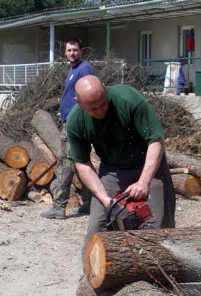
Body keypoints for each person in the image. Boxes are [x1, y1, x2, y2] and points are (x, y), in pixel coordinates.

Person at [66, 75, 176, 241]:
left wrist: (144, 182)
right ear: (78, 102)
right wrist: (106, 201)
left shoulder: (129, 99)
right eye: (93, 109)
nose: (100, 110)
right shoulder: (76, 121)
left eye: (103, 104)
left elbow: (156, 140)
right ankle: (94, 266)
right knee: (98, 226)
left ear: (104, 88)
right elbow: (82, 163)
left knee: (159, 225)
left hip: (148, 162)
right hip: (112, 169)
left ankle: (164, 264)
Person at [41, 38, 94, 220]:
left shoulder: (84, 69)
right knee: (80, 163)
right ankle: (89, 203)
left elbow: (90, 95)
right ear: (65, 52)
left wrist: (76, 119)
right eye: (69, 50)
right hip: (70, 122)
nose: (72, 53)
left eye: (75, 50)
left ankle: (59, 207)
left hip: (75, 125)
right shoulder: (73, 69)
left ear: (81, 50)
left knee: (66, 163)